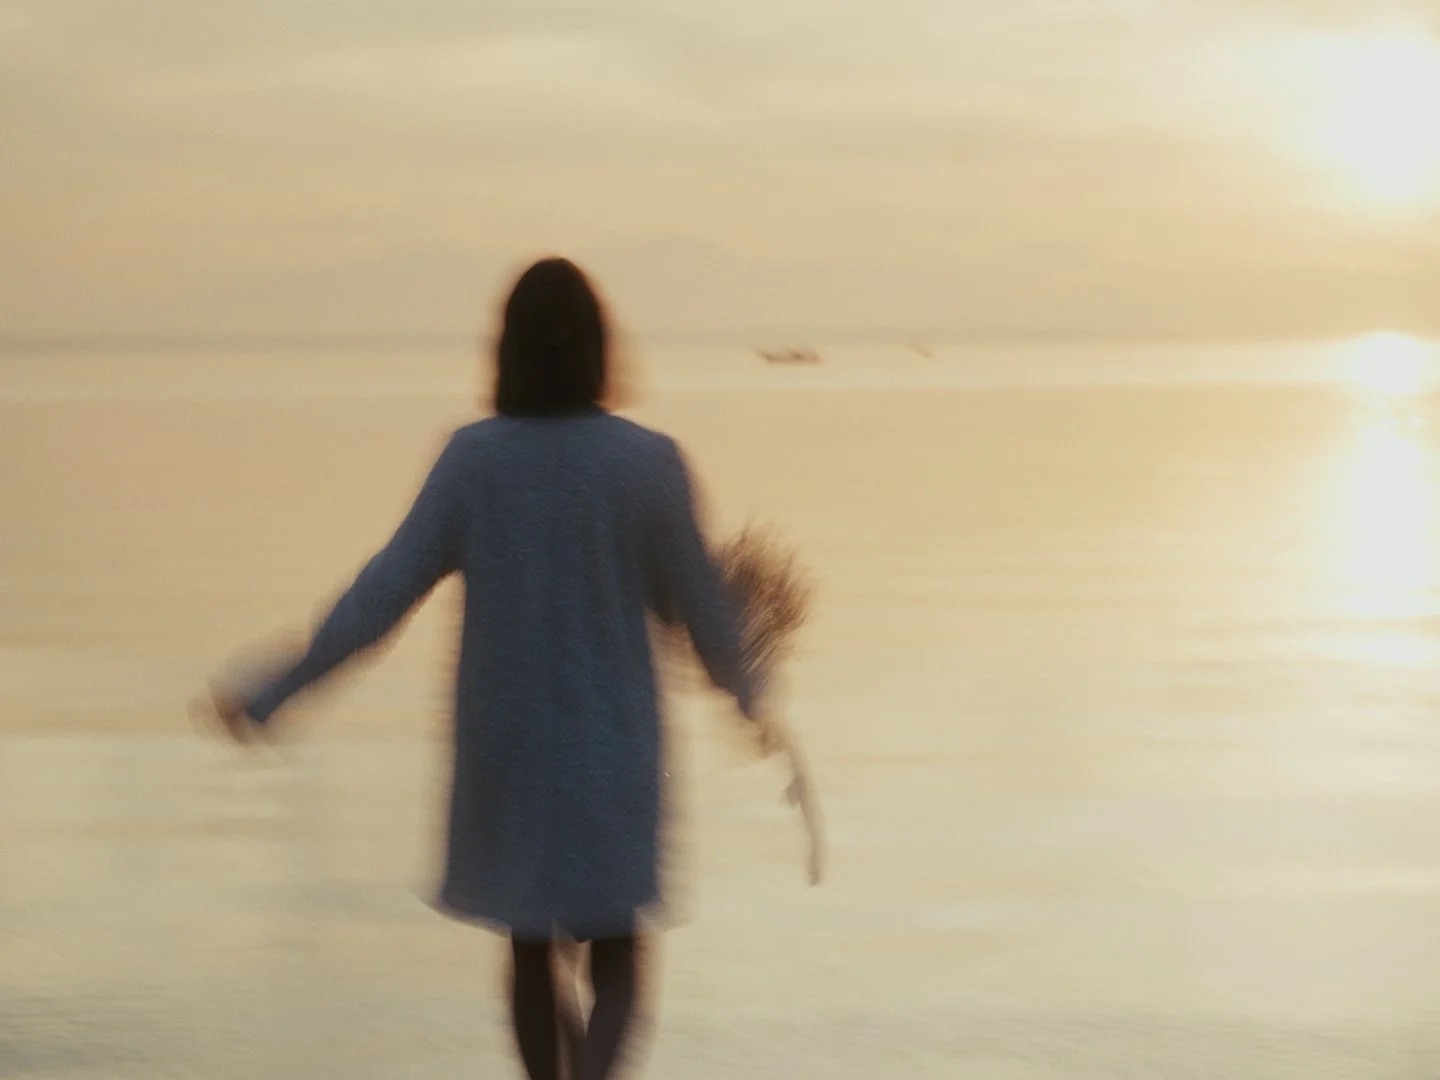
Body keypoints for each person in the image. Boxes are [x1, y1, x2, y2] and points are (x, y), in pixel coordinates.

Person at [201, 257, 764, 1080]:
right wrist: (748, 689)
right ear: (599, 348)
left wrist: (274, 687)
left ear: (506, 349)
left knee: (531, 950)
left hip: (512, 749)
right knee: (616, 949)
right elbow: (705, 606)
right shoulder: (647, 462)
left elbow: (382, 595)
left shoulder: (476, 460)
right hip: (612, 749)